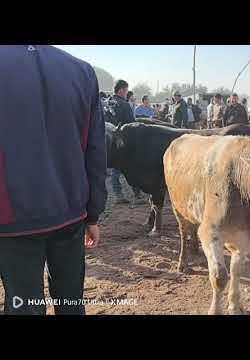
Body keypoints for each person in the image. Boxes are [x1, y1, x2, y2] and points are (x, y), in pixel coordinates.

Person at [0, 45, 107, 315]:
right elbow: (95, 150)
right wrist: (93, 214)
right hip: (70, 213)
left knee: (24, 307)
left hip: (12, 220)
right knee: (71, 302)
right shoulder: (82, 71)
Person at [108, 80, 144, 204]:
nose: (126, 93)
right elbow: (131, 124)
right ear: (121, 90)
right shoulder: (124, 104)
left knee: (115, 168)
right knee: (133, 166)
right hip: (123, 140)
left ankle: (118, 194)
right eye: (126, 90)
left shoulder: (107, 103)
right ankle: (137, 194)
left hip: (108, 140)